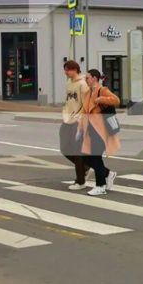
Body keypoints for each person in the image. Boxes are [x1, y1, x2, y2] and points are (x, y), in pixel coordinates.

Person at [80, 69, 120, 196]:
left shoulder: (102, 90)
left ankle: (100, 186)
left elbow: (116, 100)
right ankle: (108, 174)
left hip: (101, 129)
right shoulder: (88, 92)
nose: (86, 80)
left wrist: (102, 99)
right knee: (86, 157)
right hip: (90, 129)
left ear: (94, 78)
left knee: (95, 157)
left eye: (87, 77)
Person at [59, 60, 89, 189]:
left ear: (75, 70)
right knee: (65, 149)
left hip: (78, 121)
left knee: (77, 151)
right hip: (67, 120)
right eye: (65, 70)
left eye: (67, 70)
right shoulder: (69, 83)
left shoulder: (82, 84)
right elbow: (68, 101)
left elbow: (86, 104)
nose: (65, 72)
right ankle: (85, 166)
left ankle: (80, 181)